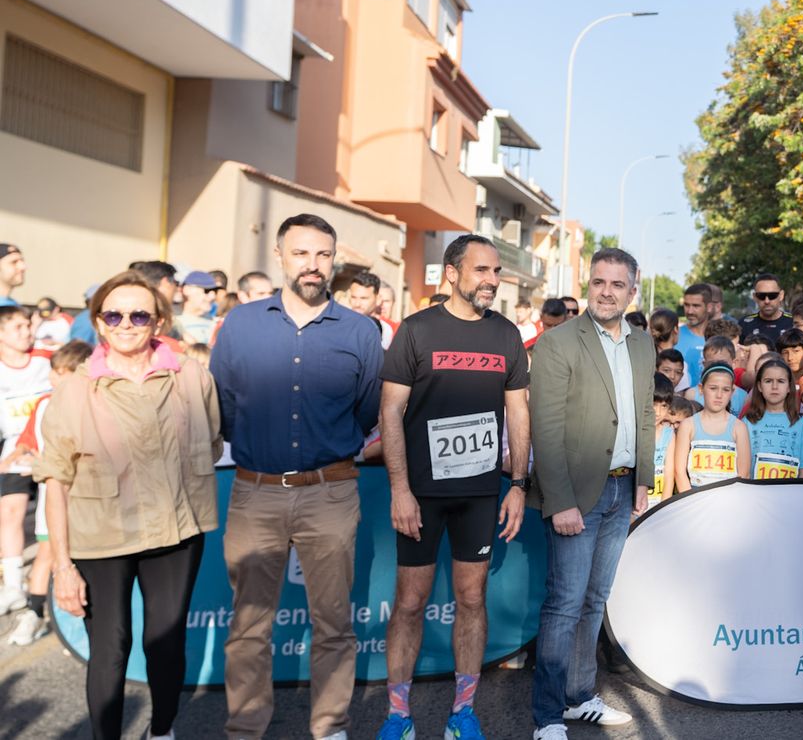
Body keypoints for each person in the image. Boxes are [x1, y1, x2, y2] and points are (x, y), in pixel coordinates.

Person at [211, 214, 384, 740]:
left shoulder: (360, 331)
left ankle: (329, 726)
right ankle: (245, 727)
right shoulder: (241, 325)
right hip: (254, 491)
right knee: (248, 626)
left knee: (333, 624)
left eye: (323, 254)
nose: (313, 265)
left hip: (330, 492)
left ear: (334, 260)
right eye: (302, 253)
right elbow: (225, 406)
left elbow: (366, 409)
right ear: (282, 258)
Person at [35, 271, 221, 740]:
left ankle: (162, 731)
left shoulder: (193, 378)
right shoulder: (74, 389)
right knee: (111, 647)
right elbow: (55, 479)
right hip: (101, 537)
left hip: (176, 531)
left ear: (158, 322)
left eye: (139, 314)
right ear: (98, 322)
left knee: (165, 642)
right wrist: (62, 566)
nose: (126, 323)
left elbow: (213, 445)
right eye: (113, 314)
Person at [377, 235, 530, 740]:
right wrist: (400, 488)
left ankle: (462, 712)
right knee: (410, 602)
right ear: (451, 273)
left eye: (496, 271)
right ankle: (398, 716)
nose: (491, 279)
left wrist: (518, 484)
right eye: (481, 270)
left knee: (471, 598)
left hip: (480, 493)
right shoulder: (417, 331)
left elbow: (518, 413)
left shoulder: (506, 335)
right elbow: (391, 411)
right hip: (421, 495)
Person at [528, 247, 656, 738]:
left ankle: (580, 696)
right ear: (588, 285)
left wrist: (643, 476)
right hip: (575, 493)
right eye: (599, 282)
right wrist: (559, 501)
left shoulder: (642, 344)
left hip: (623, 489)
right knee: (564, 602)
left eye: (616, 284)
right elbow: (547, 427)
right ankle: (546, 715)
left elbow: (645, 413)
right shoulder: (558, 343)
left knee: (595, 599)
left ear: (632, 289)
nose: (606, 292)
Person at [6, 339, 93, 646]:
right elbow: (26, 443)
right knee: (48, 556)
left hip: (86, 505)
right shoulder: (44, 404)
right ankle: (33, 613)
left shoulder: (93, 403)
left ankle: (76, 629)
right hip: (52, 501)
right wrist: (8, 463)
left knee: (80, 563)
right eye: (53, 371)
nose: (54, 378)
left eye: (61, 372)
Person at [0, 305, 51, 616]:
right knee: (10, 513)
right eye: (17, 327)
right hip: (15, 452)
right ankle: (13, 587)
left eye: (27, 325)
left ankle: (45, 586)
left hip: (49, 449)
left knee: (49, 520)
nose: (26, 332)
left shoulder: (47, 358)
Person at [676, 364, 750, 488]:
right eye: (713, 388)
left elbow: (744, 474)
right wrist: (690, 502)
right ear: (701, 389)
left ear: (732, 392)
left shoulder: (739, 427)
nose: (719, 395)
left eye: (725, 390)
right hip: (694, 502)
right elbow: (679, 472)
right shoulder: (688, 425)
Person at [745, 358, 803, 479]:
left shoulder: (801, 424)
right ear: (759, 386)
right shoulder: (747, 423)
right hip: (755, 493)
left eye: (781, 381)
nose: (774, 386)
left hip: (789, 494)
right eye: (768, 381)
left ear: (789, 387)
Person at [345, 271, 396, 349]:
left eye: (364, 298)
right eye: (353, 297)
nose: (357, 304)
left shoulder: (386, 330)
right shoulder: (340, 324)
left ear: (378, 299)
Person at [740, 273, 794, 345]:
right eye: (761, 296)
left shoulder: (793, 322)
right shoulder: (744, 324)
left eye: (772, 296)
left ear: (781, 295)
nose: (767, 301)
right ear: (755, 297)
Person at [677, 283, 714, 384]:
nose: (690, 311)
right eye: (686, 305)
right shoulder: (674, 336)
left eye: (696, 306)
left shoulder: (720, 337)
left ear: (709, 307)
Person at [173, 271, 218, 346]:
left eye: (215, 292)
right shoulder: (171, 319)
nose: (213, 296)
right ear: (187, 290)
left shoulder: (214, 323)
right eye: (206, 291)